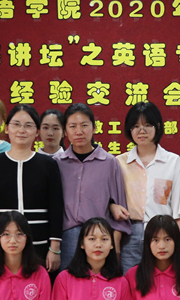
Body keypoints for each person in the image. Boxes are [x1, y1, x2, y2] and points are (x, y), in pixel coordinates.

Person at [0, 104, 64, 274]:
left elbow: (56, 207)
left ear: (36, 131)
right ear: (7, 128)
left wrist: (54, 248)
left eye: (28, 125)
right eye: (16, 124)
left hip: (40, 244)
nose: (21, 130)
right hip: (4, 245)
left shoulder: (48, 165)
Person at [54, 102, 131, 270]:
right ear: (65, 131)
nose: (79, 131)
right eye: (72, 126)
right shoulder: (57, 163)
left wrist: (115, 244)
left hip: (99, 239)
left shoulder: (109, 162)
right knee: (68, 283)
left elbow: (120, 210)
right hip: (66, 237)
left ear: (94, 128)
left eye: (84, 125)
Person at [113, 102, 180, 274]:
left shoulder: (172, 162)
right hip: (130, 234)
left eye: (147, 125)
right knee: (130, 282)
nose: (141, 131)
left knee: (162, 281)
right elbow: (112, 201)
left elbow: (178, 211)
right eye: (136, 126)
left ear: (158, 126)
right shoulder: (120, 163)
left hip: (163, 235)